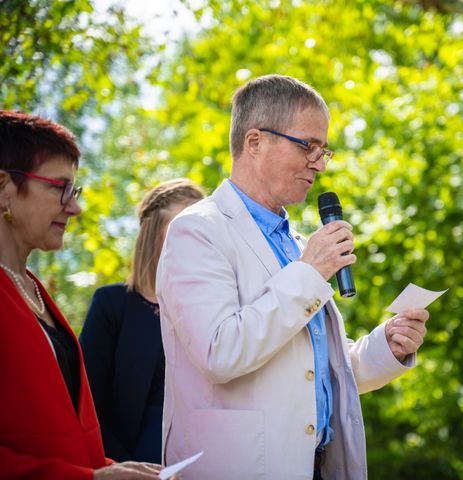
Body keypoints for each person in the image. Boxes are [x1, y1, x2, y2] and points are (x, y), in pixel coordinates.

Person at [156, 74, 430, 479]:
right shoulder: (197, 230)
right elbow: (220, 352)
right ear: (254, 142)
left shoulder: (298, 244)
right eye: (308, 146)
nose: (319, 163)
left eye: (324, 150)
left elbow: (316, 372)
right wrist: (309, 271)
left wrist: (385, 347)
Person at [0, 110, 163, 479]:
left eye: (74, 191)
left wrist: (112, 469)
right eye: (59, 188)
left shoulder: (34, 291)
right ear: (4, 186)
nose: (74, 207)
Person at [80, 179, 205, 463]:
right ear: (154, 234)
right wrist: (124, 468)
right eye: (185, 225)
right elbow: (87, 404)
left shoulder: (213, 307)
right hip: (127, 464)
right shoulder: (112, 305)